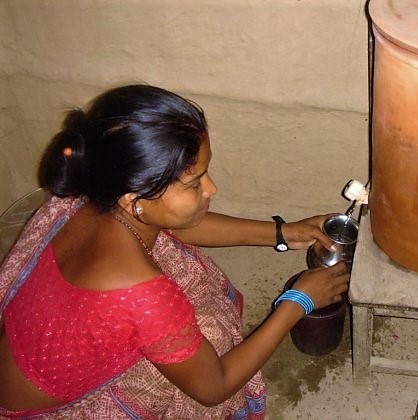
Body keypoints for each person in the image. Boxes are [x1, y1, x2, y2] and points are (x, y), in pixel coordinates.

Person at [0, 84, 349, 419]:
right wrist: (296, 302)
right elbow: (214, 387)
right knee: (212, 336)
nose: (211, 188)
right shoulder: (141, 293)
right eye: (195, 183)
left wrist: (282, 232)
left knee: (172, 257)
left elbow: (184, 221)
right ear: (134, 199)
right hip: (41, 407)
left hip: (31, 349)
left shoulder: (95, 192)